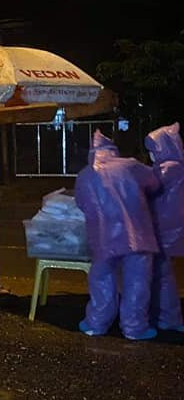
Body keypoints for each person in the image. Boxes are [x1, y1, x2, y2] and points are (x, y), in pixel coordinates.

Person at [74, 130, 160, 340]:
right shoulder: (130, 165)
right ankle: (134, 328)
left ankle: (96, 323)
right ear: (113, 151)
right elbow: (155, 183)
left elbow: (81, 204)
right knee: (137, 282)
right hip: (137, 236)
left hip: (103, 238)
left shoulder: (84, 176)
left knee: (102, 279)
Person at [144, 123, 184, 331]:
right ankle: (168, 317)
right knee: (162, 271)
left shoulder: (166, 169)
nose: (151, 154)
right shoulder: (177, 166)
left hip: (164, 227)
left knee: (161, 272)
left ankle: (168, 318)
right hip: (172, 226)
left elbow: (146, 187)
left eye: (153, 149)